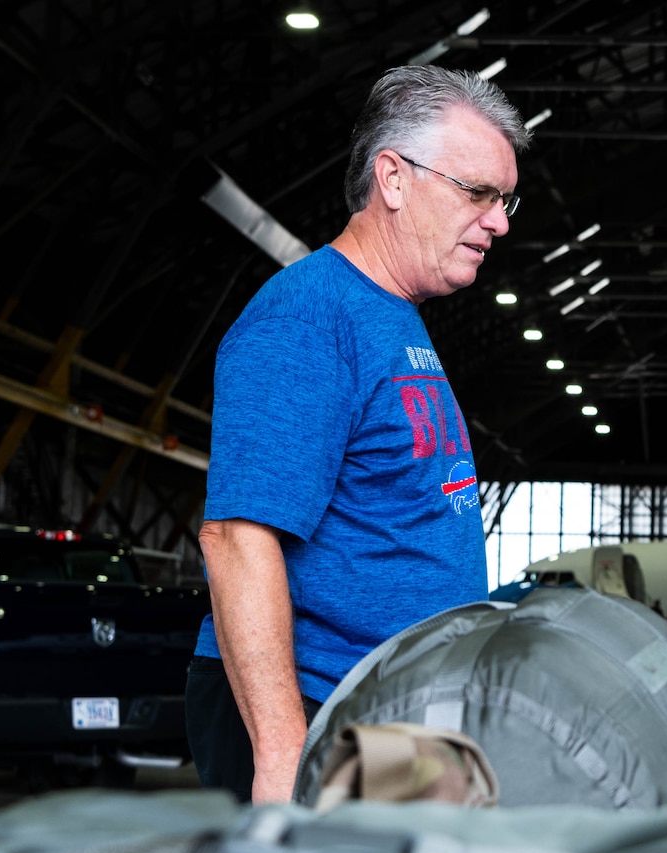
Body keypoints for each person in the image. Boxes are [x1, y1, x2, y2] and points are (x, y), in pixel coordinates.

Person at [188, 66, 528, 803]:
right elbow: (236, 539)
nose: (499, 220)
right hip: (319, 713)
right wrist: (282, 760)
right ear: (394, 179)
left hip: (388, 707)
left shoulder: (392, 316)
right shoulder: (308, 318)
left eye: (505, 198)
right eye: (478, 193)